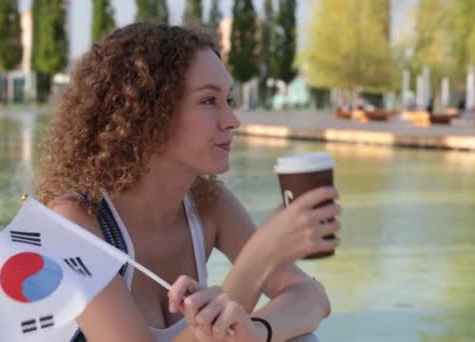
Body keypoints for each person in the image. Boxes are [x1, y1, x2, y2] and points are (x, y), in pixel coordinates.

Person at [35, 23, 341, 342]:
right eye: (209, 101)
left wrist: (257, 331)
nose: (231, 120)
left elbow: (312, 297)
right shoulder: (72, 224)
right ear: (147, 113)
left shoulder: (209, 203)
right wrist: (258, 258)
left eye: (228, 100)